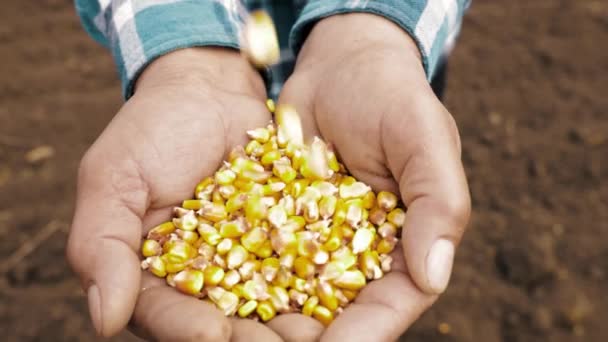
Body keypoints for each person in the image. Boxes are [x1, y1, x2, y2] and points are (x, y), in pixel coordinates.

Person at [67, 1, 472, 341]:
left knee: (404, 150)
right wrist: (184, 50)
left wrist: (372, 28)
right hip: (215, 87)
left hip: (380, 85)